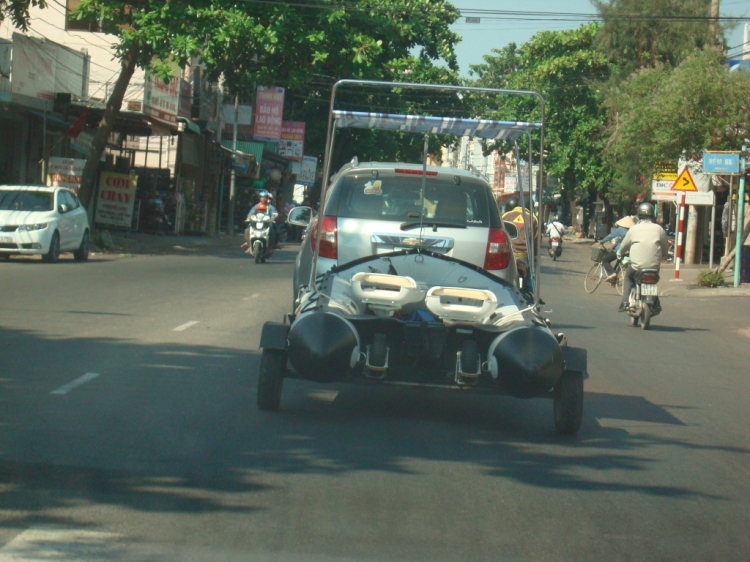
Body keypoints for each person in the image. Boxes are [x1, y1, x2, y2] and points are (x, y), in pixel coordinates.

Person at [616, 202, 669, 312]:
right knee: (653, 280)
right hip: (653, 266)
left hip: (636, 266)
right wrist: (665, 255)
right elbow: (665, 246)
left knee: (628, 278)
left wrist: (619, 253)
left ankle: (625, 302)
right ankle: (655, 300)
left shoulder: (634, 229)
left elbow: (624, 245)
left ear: (639, 215)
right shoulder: (659, 229)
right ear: (652, 215)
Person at [503, 195, 539, 289]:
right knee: (531, 275)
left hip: (508, 253)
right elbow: (535, 239)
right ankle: (532, 293)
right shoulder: (532, 218)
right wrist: (535, 254)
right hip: (524, 255)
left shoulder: (505, 216)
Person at [599, 215, 636, 281]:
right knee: (618, 263)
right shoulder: (632, 230)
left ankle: (612, 273)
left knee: (605, 260)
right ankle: (614, 279)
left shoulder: (621, 229)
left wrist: (602, 241)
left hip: (620, 250)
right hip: (630, 251)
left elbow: (611, 236)